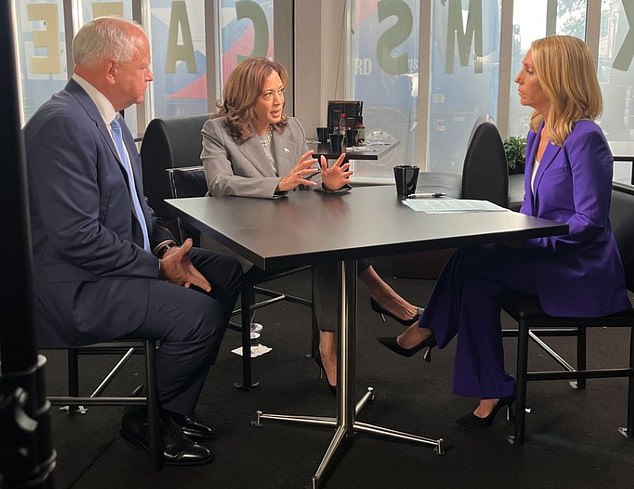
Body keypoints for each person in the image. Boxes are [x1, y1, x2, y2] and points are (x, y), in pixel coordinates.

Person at [378, 35, 631, 427]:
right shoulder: (539, 132)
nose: (518, 78)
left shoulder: (586, 139)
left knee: (474, 261)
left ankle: (427, 328)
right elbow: (530, 211)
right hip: (545, 255)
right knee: (476, 276)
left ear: (557, 80)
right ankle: (491, 386)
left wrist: (525, 241)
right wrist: (506, 230)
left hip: (579, 270)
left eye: (529, 71)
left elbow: (589, 223)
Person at [24, 16, 244, 465]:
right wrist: (157, 268)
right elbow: (76, 237)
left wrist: (164, 248)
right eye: (142, 66)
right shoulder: (62, 125)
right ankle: (145, 419)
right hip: (74, 286)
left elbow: (138, 205)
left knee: (224, 271)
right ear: (110, 70)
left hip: (113, 266)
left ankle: (167, 410)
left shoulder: (113, 122)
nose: (150, 75)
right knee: (198, 316)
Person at [201, 57, 421, 392]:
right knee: (330, 246)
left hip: (287, 232)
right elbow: (219, 182)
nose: (279, 101)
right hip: (242, 240)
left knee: (331, 243)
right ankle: (382, 300)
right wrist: (277, 184)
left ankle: (329, 347)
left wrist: (326, 182)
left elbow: (303, 178)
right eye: (267, 94)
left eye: (281, 91)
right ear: (247, 98)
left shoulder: (291, 127)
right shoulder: (217, 131)